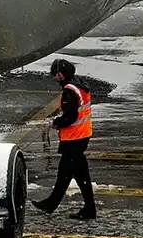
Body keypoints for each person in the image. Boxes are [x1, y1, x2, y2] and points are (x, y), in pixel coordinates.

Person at [32, 58, 97, 220]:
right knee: (77, 175)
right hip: (82, 136)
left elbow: (70, 117)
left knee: (66, 174)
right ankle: (86, 208)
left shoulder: (70, 91)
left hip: (74, 138)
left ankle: (53, 204)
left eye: (56, 75)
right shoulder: (80, 85)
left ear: (60, 75)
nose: (55, 78)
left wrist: (55, 123)